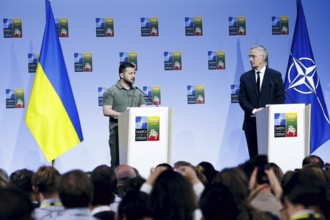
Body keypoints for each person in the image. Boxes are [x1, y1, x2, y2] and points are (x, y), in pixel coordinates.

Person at [238, 45, 285, 159]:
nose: (250, 59)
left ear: (262, 57)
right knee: (254, 159)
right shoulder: (245, 77)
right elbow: (242, 98)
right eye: (249, 56)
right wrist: (254, 110)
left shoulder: (275, 76)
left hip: (270, 124)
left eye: (253, 56)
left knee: (271, 159)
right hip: (251, 125)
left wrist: (266, 110)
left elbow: (280, 97)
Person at [103, 62, 146, 168]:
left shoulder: (138, 92)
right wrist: (125, 116)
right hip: (117, 132)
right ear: (122, 75)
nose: (133, 76)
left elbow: (144, 110)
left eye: (134, 73)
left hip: (136, 133)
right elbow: (106, 110)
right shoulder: (111, 91)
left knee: (137, 163)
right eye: (130, 73)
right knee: (116, 164)